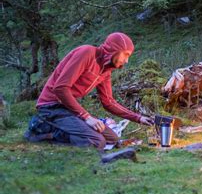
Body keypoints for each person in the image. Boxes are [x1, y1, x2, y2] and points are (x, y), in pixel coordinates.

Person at [25, 32, 154, 150]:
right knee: (97, 141)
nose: (126, 61)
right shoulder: (87, 53)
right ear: (114, 49)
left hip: (67, 108)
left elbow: (108, 102)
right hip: (51, 107)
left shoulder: (106, 70)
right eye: (126, 54)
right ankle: (42, 130)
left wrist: (138, 118)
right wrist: (87, 117)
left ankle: (66, 129)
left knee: (112, 139)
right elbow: (60, 88)